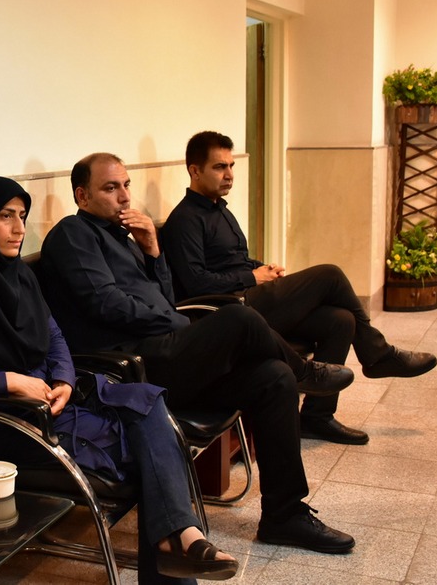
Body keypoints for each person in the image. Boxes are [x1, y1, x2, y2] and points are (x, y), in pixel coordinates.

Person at [0, 176, 240, 583]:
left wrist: (65, 380)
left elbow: (55, 339)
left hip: (56, 404)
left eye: (22, 216)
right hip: (13, 424)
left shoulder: (20, 277)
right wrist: (10, 381)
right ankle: (181, 542)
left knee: (148, 403)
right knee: (152, 456)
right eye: (5, 217)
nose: (19, 228)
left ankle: (181, 539)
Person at [37, 153, 356, 555]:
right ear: (82, 196)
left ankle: (284, 515)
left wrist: (153, 251)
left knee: (274, 377)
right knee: (239, 317)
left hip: (164, 352)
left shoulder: (126, 236)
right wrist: (176, 322)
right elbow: (106, 303)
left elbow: (167, 299)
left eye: (126, 185)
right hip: (129, 368)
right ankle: (307, 374)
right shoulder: (72, 235)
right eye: (110, 187)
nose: (124, 196)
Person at [161, 131, 437, 446]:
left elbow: (234, 261)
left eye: (231, 166)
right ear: (195, 171)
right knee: (330, 275)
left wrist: (263, 268)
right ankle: (377, 353)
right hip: (230, 312)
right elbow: (195, 282)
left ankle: (317, 417)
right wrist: (252, 277)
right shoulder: (185, 220)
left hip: (251, 298)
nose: (229, 174)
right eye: (219, 167)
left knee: (340, 321)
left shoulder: (220, 211)